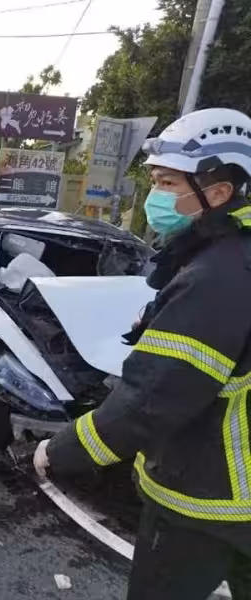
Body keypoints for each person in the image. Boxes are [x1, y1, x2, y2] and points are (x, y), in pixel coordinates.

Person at [33, 108, 251, 600]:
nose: (156, 196)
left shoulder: (215, 278)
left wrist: (61, 451)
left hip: (205, 501)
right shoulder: (232, 256)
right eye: (155, 181)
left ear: (218, 193)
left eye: (168, 183)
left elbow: (150, 400)